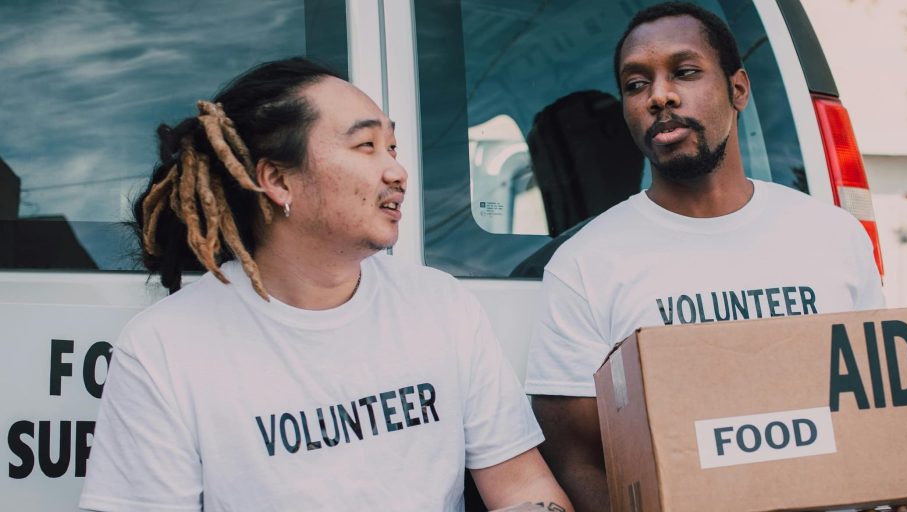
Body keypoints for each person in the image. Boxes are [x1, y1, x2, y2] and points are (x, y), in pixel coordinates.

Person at [79, 57, 571, 512]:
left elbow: (524, 489)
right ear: (277, 180)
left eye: (393, 147)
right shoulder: (165, 348)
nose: (397, 171)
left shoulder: (440, 306)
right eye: (366, 146)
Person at [523, 3, 907, 512]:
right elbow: (573, 460)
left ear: (738, 89)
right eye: (636, 84)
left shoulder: (834, 236)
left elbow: (883, 412)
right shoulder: (584, 265)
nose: (660, 96)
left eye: (686, 71)